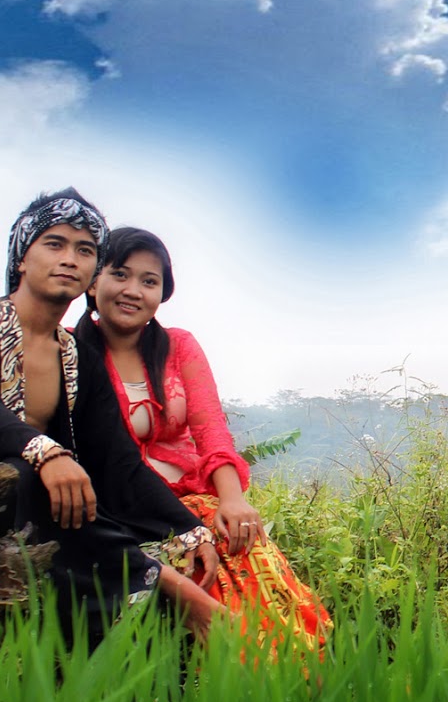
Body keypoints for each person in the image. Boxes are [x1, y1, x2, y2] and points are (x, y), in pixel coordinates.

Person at [0, 189, 226, 645]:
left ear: (91, 272)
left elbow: (115, 456)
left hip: (45, 497)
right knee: (23, 474)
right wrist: (46, 453)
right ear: (22, 257)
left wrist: (189, 529)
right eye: (55, 243)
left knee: (80, 489)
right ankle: (164, 583)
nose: (70, 259)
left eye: (85, 250)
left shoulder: (76, 356)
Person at [75, 226, 331, 656]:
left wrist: (231, 499)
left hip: (192, 499)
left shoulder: (178, 346)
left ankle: (298, 674)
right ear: (94, 280)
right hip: (120, 510)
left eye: (149, 281)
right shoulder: (71, 351)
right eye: (120, 274)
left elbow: (211, 428)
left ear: (162, 293)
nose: (132, 291)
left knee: (247, 556)